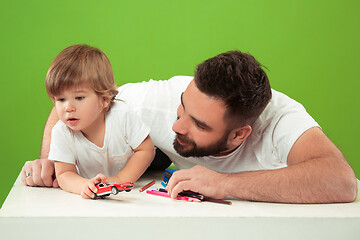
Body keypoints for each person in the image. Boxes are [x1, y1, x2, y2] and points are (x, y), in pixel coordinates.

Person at [22, 50, 357, 203]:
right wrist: (49, 161)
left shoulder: (281, 120)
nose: (176, 124)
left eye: (197, 123)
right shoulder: (156, 100)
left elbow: (341, 182)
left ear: (239, 134)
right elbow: (77, 99)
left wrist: (224, 183)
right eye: (183, 106)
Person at [34, 44, 155, 199]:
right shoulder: (61, 132)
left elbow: (146, 149)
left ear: (104, 100)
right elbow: (64, 173)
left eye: (79, 98)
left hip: (131, 188)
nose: (68, 107)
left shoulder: (121, 115)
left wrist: (121, 179)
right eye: (61, 99)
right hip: (91, 193)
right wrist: (84, 186)